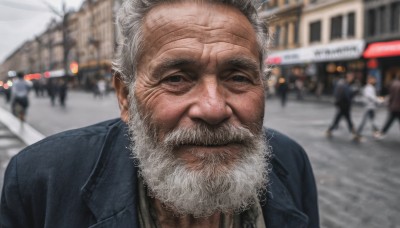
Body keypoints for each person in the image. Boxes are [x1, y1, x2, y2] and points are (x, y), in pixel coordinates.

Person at [0, 1, 319, 227]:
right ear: (125, 95)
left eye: (237, 77)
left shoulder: (290, 163)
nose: (212, 109)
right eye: (177, 79)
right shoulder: (42, 180)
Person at [326, 72, 358, 139]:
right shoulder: (344, 84)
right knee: (344, 119)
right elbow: (347, 95)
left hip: (343, 105)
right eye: (350, 77)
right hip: (344, 105)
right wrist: (353, 93)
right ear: (347, 77)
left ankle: (330, 130)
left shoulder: (345, 84)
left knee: (341, 119)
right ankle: (354, 133)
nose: (352, 78)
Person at [355, 75, 382, 141]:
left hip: (371, 107)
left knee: (373, 120)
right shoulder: (368, 87)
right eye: (373, 79)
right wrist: (378, 100)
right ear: (369, 80)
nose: (375, 81)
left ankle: (376, 131)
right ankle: (358, 134)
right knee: (365, 121)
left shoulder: (370, 87)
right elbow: (370, 96)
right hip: (369, 107)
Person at [375, 74, 400, 139]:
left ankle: (381, 133)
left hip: (393, 107)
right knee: (389, 121)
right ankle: (381, 133)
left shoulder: (394, 84)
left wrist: (389, 104)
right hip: (398, 107)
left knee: (389, 121)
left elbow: (391, 96)